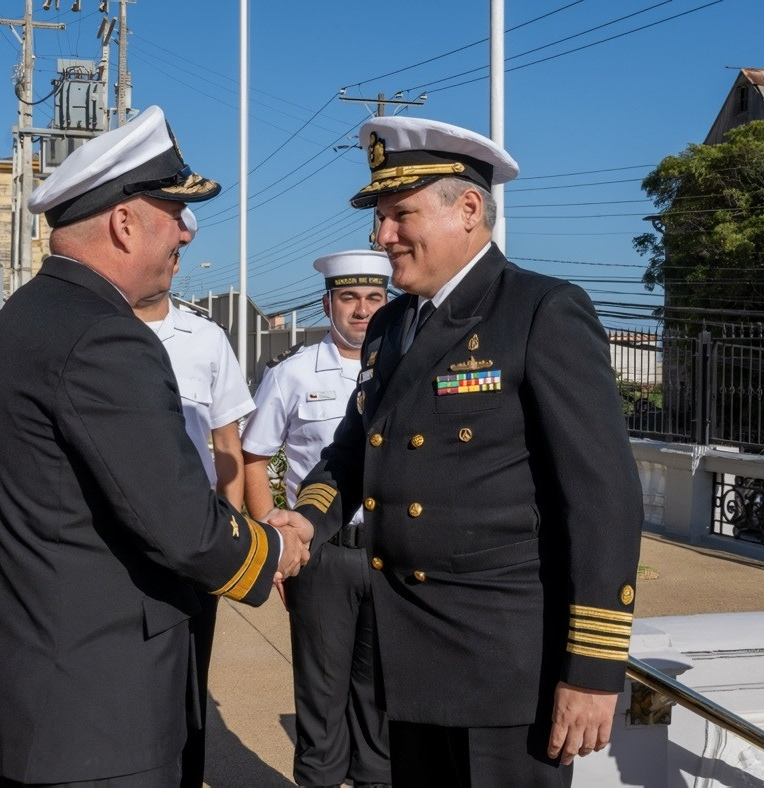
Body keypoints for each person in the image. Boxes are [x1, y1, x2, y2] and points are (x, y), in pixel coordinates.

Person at [0, 105, 307, 787]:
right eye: (173, 214)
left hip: (25, 701)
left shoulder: (15, 325)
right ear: (124, 222)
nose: (184, 238)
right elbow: (181, 528)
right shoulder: (107, 340)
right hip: (94, 723)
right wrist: (275, 547)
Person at [276, 115, 644, 786]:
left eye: (400, 215)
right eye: (381, 219)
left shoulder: (540, 311)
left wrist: (591, 671)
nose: (383, 236)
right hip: (409, 653)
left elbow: (603, 499)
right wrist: (308, 518)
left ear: (469, 209)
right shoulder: (392, 324)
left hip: (502, 668)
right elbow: (358, 446)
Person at [242, 250, 392, 788]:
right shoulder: (293, 372)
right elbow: (254, 457)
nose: (362, 310)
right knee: (322, 694)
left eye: (375, 297)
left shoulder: (406, 365)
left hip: (390, 552)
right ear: (327, 303)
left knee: (381, 695)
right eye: (349, 298)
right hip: (321, 553)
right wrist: (275, 547)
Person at [132, 206, 255, 788]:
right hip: (121, 539)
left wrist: (226, 532)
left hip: (192, 536)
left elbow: (227, 444)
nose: (171, 262)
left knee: (189, 676)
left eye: (178, 254)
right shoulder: (101, 332)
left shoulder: (205, 339)